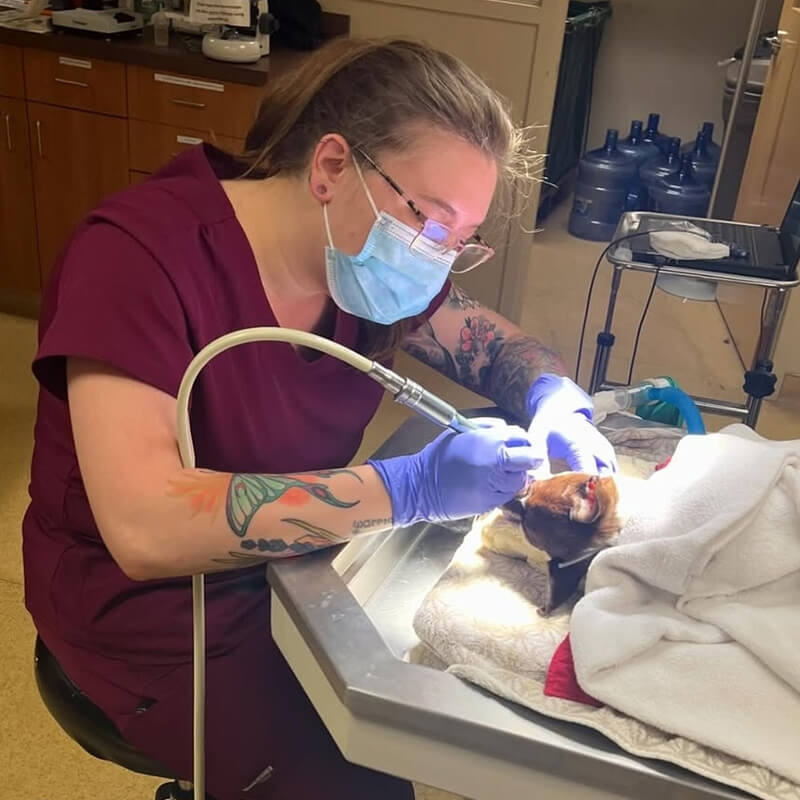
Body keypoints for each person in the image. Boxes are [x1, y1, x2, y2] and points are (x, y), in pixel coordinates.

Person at [23, 37, 615, 800]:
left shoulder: (369, 273)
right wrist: (409, 489)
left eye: (459, 243)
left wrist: (554, 398)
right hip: (152, 623)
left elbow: (499, 348)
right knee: (368, 775)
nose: (436, 259)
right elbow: (145, 527)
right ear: (333, 168)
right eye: (432, 225)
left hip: (291, 579)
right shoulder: (138, 258)